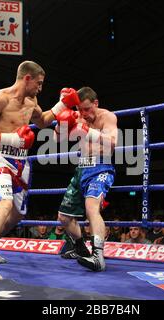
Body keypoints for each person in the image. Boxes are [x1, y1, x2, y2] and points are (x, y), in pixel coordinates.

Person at [0, 60, 81, 281]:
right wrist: (12, 138)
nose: (40, 88)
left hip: (22, 160)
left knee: (18, 213)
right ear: (27, 78)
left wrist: (61, 105)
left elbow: (41, 122)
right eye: (38, 83)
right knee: (5, 203)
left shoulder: (32, 100)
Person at [56, 87, 118, 271]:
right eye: (80, 110)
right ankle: (80, 248)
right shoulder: (77, 116)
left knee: (92, 207)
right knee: (63, 217)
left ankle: (98, 257)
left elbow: (113, 142)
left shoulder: (108, 117)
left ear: (96, 103)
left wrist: (86, 131)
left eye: (87, 109)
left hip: (101, 166)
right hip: (81, 168)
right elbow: (56, 139)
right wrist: (61, 120)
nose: (84, 113)